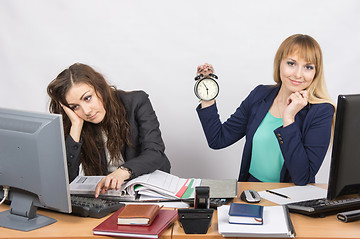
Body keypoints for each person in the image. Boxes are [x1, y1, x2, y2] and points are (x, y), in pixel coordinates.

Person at [196, 34, 335, 185]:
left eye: (308, 67)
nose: (298, 74)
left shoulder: (322, 112)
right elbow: (218, 139)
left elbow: (302, 178)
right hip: (251, 191)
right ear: (279, 63)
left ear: (316, 72)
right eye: (291, 63)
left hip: (290, 198)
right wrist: (207, 93)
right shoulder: (260, 95)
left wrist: (288, 119)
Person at [47, 63, 171, 197]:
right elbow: (67, 182)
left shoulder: (136, 102)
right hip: (109, 197)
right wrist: (76, 126)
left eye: (88, 98)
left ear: (100, 88)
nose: (86, 111)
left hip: (150, 192)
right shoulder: (76, 121)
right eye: (75, 106)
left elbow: (155, 152)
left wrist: (123, 171)